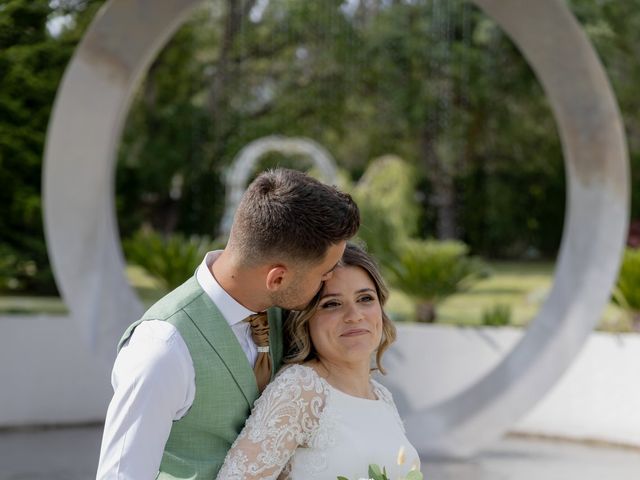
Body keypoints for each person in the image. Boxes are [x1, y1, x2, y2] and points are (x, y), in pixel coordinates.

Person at [96, 168, 360, 479]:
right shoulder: (161, 348)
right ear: (277, 278)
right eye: (325, 272)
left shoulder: (288, 315)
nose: (330, 279)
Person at [216, 243, 421, 480]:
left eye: (365, 298)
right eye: (332, 304)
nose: (355, 316)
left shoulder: (382, 397)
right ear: (306, 319)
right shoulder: (300, 389)